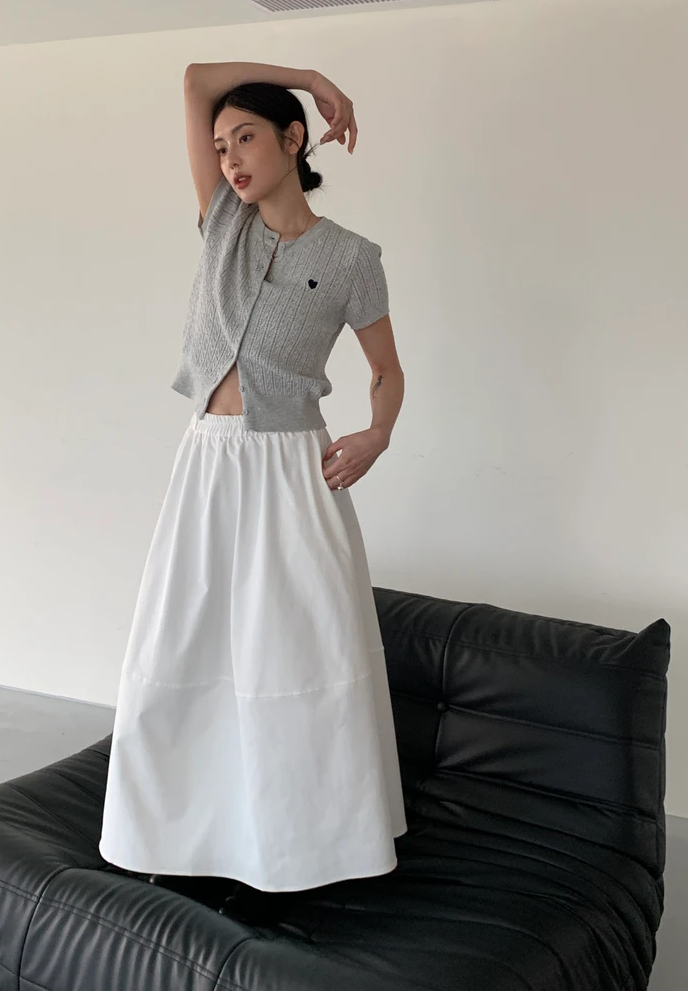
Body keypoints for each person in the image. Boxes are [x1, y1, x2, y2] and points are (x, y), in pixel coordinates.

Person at [98, 61, 408, 896]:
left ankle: (309, 848)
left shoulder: (352, 259)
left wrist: (377, 434)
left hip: (293, 470)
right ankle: (176, 833)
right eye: (220, 145)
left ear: (293, 139)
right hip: (208, 458)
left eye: (246, 138)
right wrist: (308, 75)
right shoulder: (221, 223)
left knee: (297, 655)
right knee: (182, 639)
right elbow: (195, 79)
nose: (229, 157)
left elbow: (387, 370)